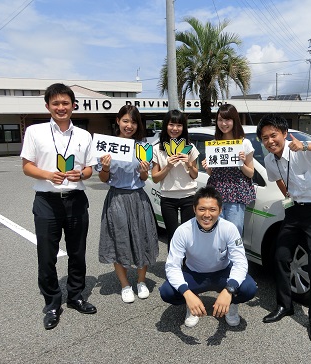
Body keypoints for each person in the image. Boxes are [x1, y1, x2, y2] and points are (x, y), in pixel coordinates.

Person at [257, 114, 311, 345]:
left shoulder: (303, 151)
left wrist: (305, 144)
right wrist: (287, 193)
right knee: (280, 256)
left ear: (285, 134)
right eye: (265, 137)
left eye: (273, 135)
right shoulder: (269, 160)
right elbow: (277, 178)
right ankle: (285, 305)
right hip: (294, 211)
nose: (269, 141)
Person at [21, 83, 97, 330]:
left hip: (75, 200)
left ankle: (75, 296)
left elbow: (89, 167)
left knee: (77, 253)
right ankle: (52, 303)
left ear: (73, 105)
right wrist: (47, 175)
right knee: (46, 255)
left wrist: (81, 175)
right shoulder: (35, 132)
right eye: (56, 103)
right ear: (48, 106)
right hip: (47, 201)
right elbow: (27, 166)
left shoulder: (84, 135)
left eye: (65, 103)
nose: (61, 107)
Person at [160, 186, 258, 328]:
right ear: (194, 209)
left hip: (222, 273)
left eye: (212, 209)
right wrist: (187, 294)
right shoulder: (183, 231)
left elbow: (240, 262)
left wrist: (230, 289)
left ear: (220, 210)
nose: (207, 214)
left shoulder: (229, 228)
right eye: (202, 209)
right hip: (194, 274)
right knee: (167, 292)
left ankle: (230, 304)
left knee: (249, 288)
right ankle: (192, 304)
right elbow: (172, 266)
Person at [98, 104, 159, 304]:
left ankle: (141, 281)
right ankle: (125, 285)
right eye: (125, 121)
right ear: (118, 121)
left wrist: (143, 170)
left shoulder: (143, 147)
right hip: (116, 198)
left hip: (138, 197)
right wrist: (105, 168)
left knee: (143, 238)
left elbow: (143, 176)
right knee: (118, 240)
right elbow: (103, 179)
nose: (129, 125)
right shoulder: (108, 146)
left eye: (133, 122)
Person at [201, 104, 255, 236]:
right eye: (220, 120)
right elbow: (212, 173)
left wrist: (241, 163)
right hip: (215, 193)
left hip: (236, 194)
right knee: (216, 234)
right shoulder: (214, 143)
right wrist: (208, 168)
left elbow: (251, 173)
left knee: (233, 234)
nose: (223, 123)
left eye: (227, 120)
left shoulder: (244, 143)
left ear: (234, 121)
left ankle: (234, 257)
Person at [151, 109, 199, 247]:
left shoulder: (190, 147)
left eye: (179, 125)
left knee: (188, 235)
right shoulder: (157, 149)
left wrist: (188, 164)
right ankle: (174, 266)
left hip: (188, 196)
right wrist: (168, 166)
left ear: (183, 128)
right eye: (171, 124)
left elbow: (194, 175)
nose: (175, 128)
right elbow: (155, 178)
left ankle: (187, 265)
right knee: (172, 235)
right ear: (166, 125)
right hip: (168, 198)